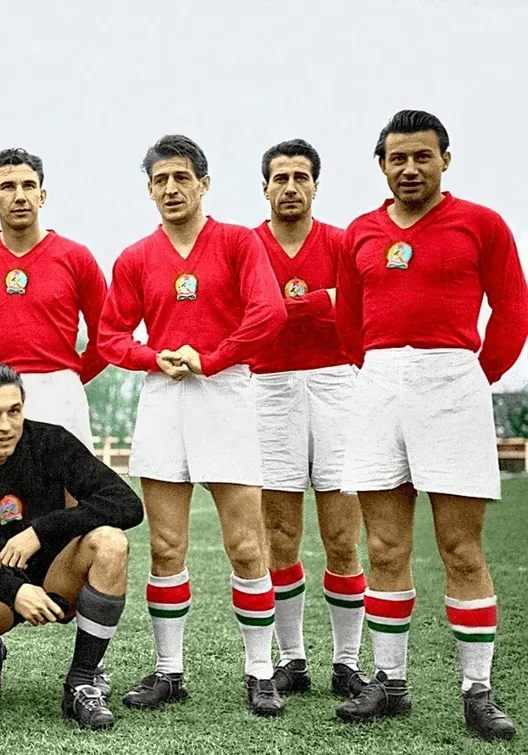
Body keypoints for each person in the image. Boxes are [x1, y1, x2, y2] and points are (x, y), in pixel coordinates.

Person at [333, 110, 527, 741]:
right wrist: (381, 373)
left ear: (445, 159)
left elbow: (513, 309)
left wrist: (473, 377)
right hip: (379, 385)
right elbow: (348, 322)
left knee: (461, 549)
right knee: (385, 549)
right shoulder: (360, 232)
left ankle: (478, 691)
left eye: (422, 156)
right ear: (382, 166)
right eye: (398, 158)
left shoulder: (482, 223)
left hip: (452, 381)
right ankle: (390, 683)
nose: (410, 168)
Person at [98, 134, 288, 716]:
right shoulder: (135, 257)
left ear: (204, 184)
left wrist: (215, 356)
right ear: (149, 190)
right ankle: (169, 670)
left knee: (246, 545)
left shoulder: (237, 242)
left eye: (182, 177)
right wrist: (151, 357)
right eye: (161, 180)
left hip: (225, 391)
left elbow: (270, 312)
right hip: (164, 395)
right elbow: (110, 336)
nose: (172, 188)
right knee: (165, 546)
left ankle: (261, 671)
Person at [0, 363, 142, 730]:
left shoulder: (51, 442)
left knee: (110, 542)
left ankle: (82, 682)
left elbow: (126, 503)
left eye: (14, 411)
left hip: (54, 578)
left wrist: (42, 530)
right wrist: (13, 589)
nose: (6, 425)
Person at [249, 139, 367, 699]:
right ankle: (292, 659)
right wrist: (322, 299)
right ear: (265, 188)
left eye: (301, 176)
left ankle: (347, 661)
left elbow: (361, 306)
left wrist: (286, 305)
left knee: (342, 535)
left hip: (336, 382)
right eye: (281, 177)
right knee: (280, 535)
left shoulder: (342, 242)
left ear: (316, 185)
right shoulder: (248, 246)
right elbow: (249, 314)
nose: (291, 186)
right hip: (269, 386)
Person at [0, 147, 108, 448]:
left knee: (67, 479)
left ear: (42, 195)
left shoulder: (76, 257)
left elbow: (106, 333)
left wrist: (69, 375)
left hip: (60, 393)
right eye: (8, 187)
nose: (20, 196)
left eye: (28, 185)